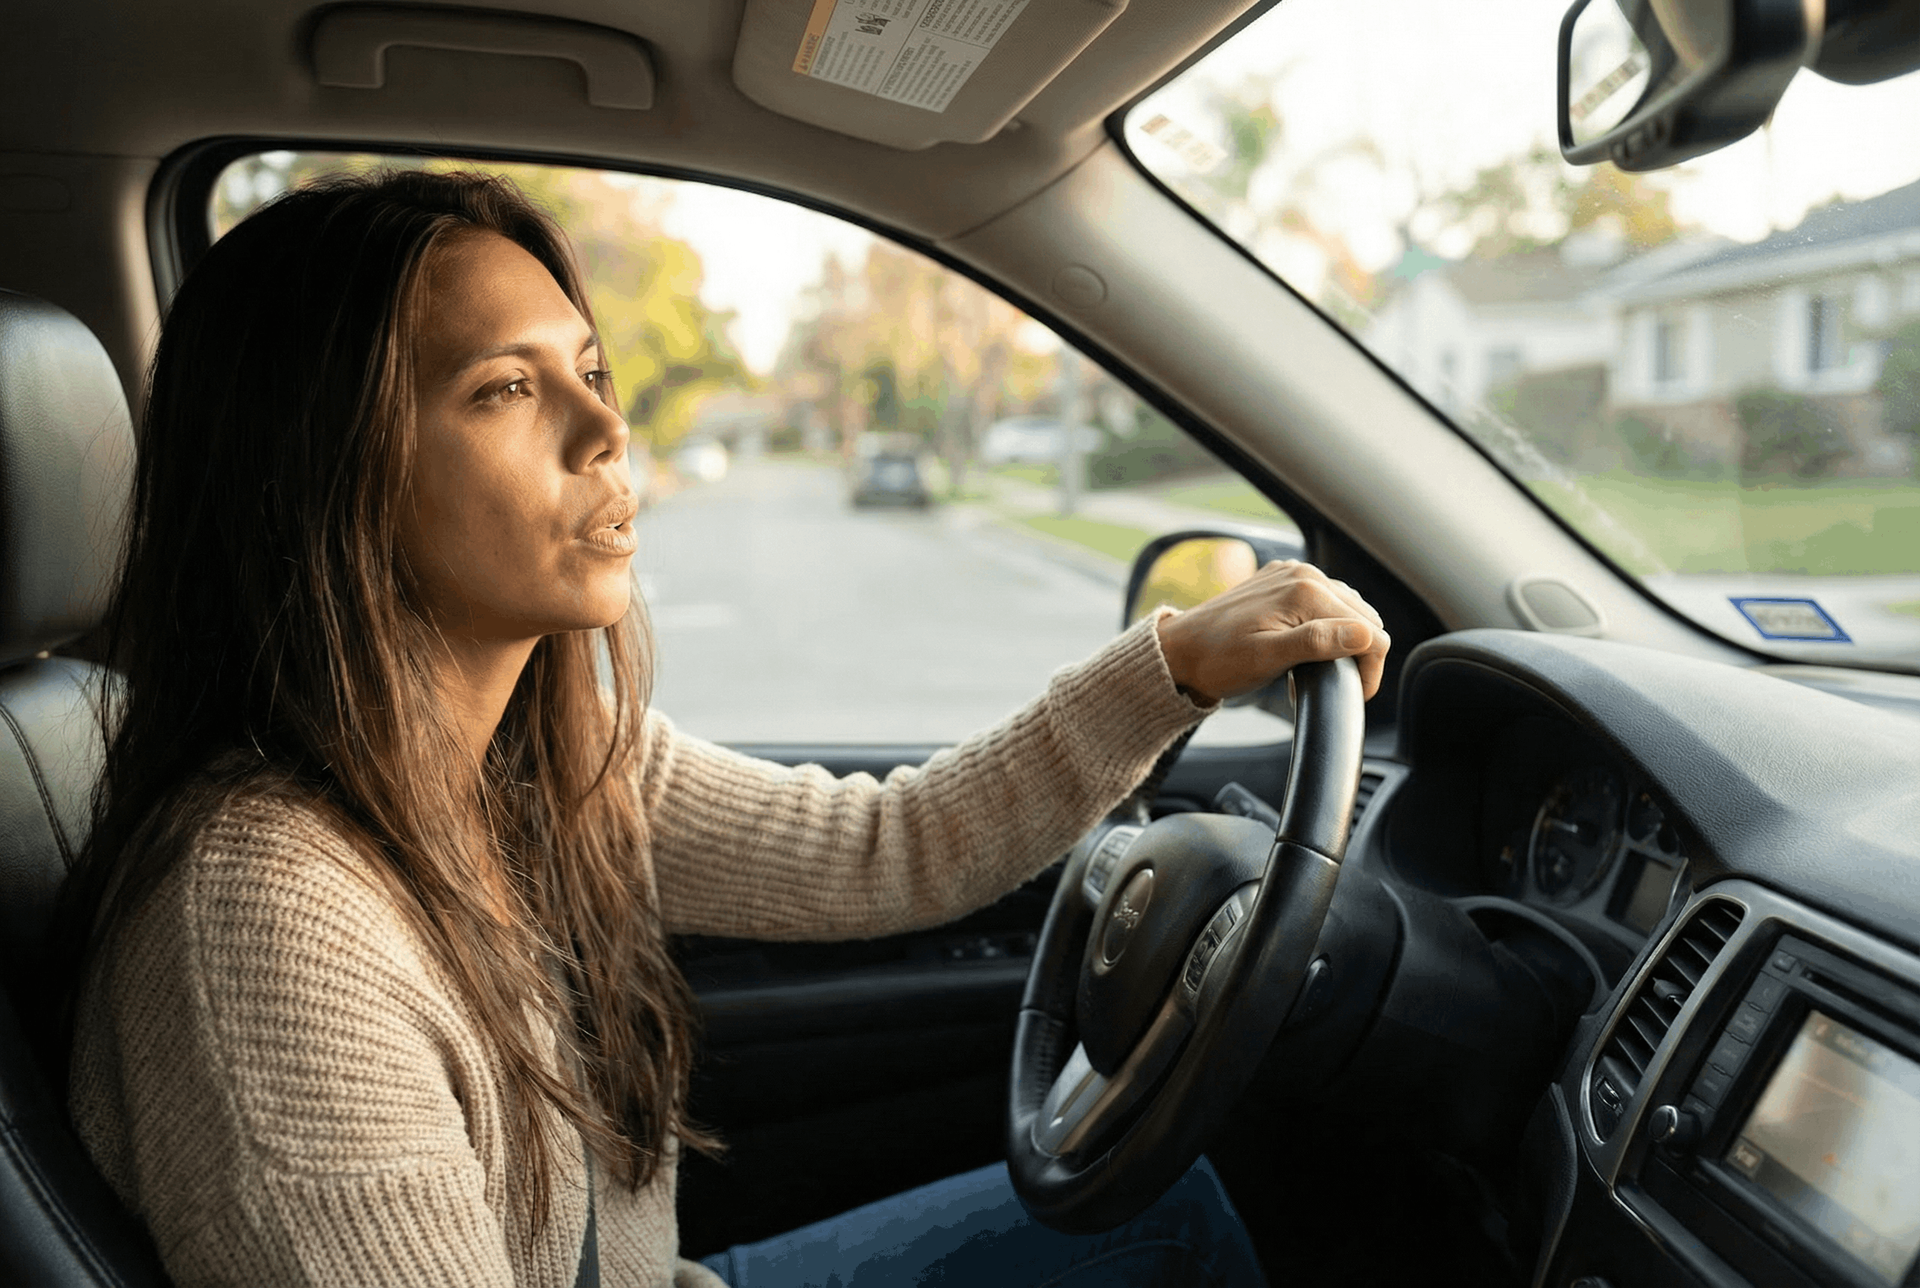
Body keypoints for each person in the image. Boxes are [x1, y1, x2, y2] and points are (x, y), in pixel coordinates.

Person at [57, 169, 1390, 1288]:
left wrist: (1177, 666)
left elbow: (889, 848)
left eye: (587, 369)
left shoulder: (555, 755)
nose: (606, 428)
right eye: (504, 390)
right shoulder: (264, 921)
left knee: (1178, 1216)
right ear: (321, 471)